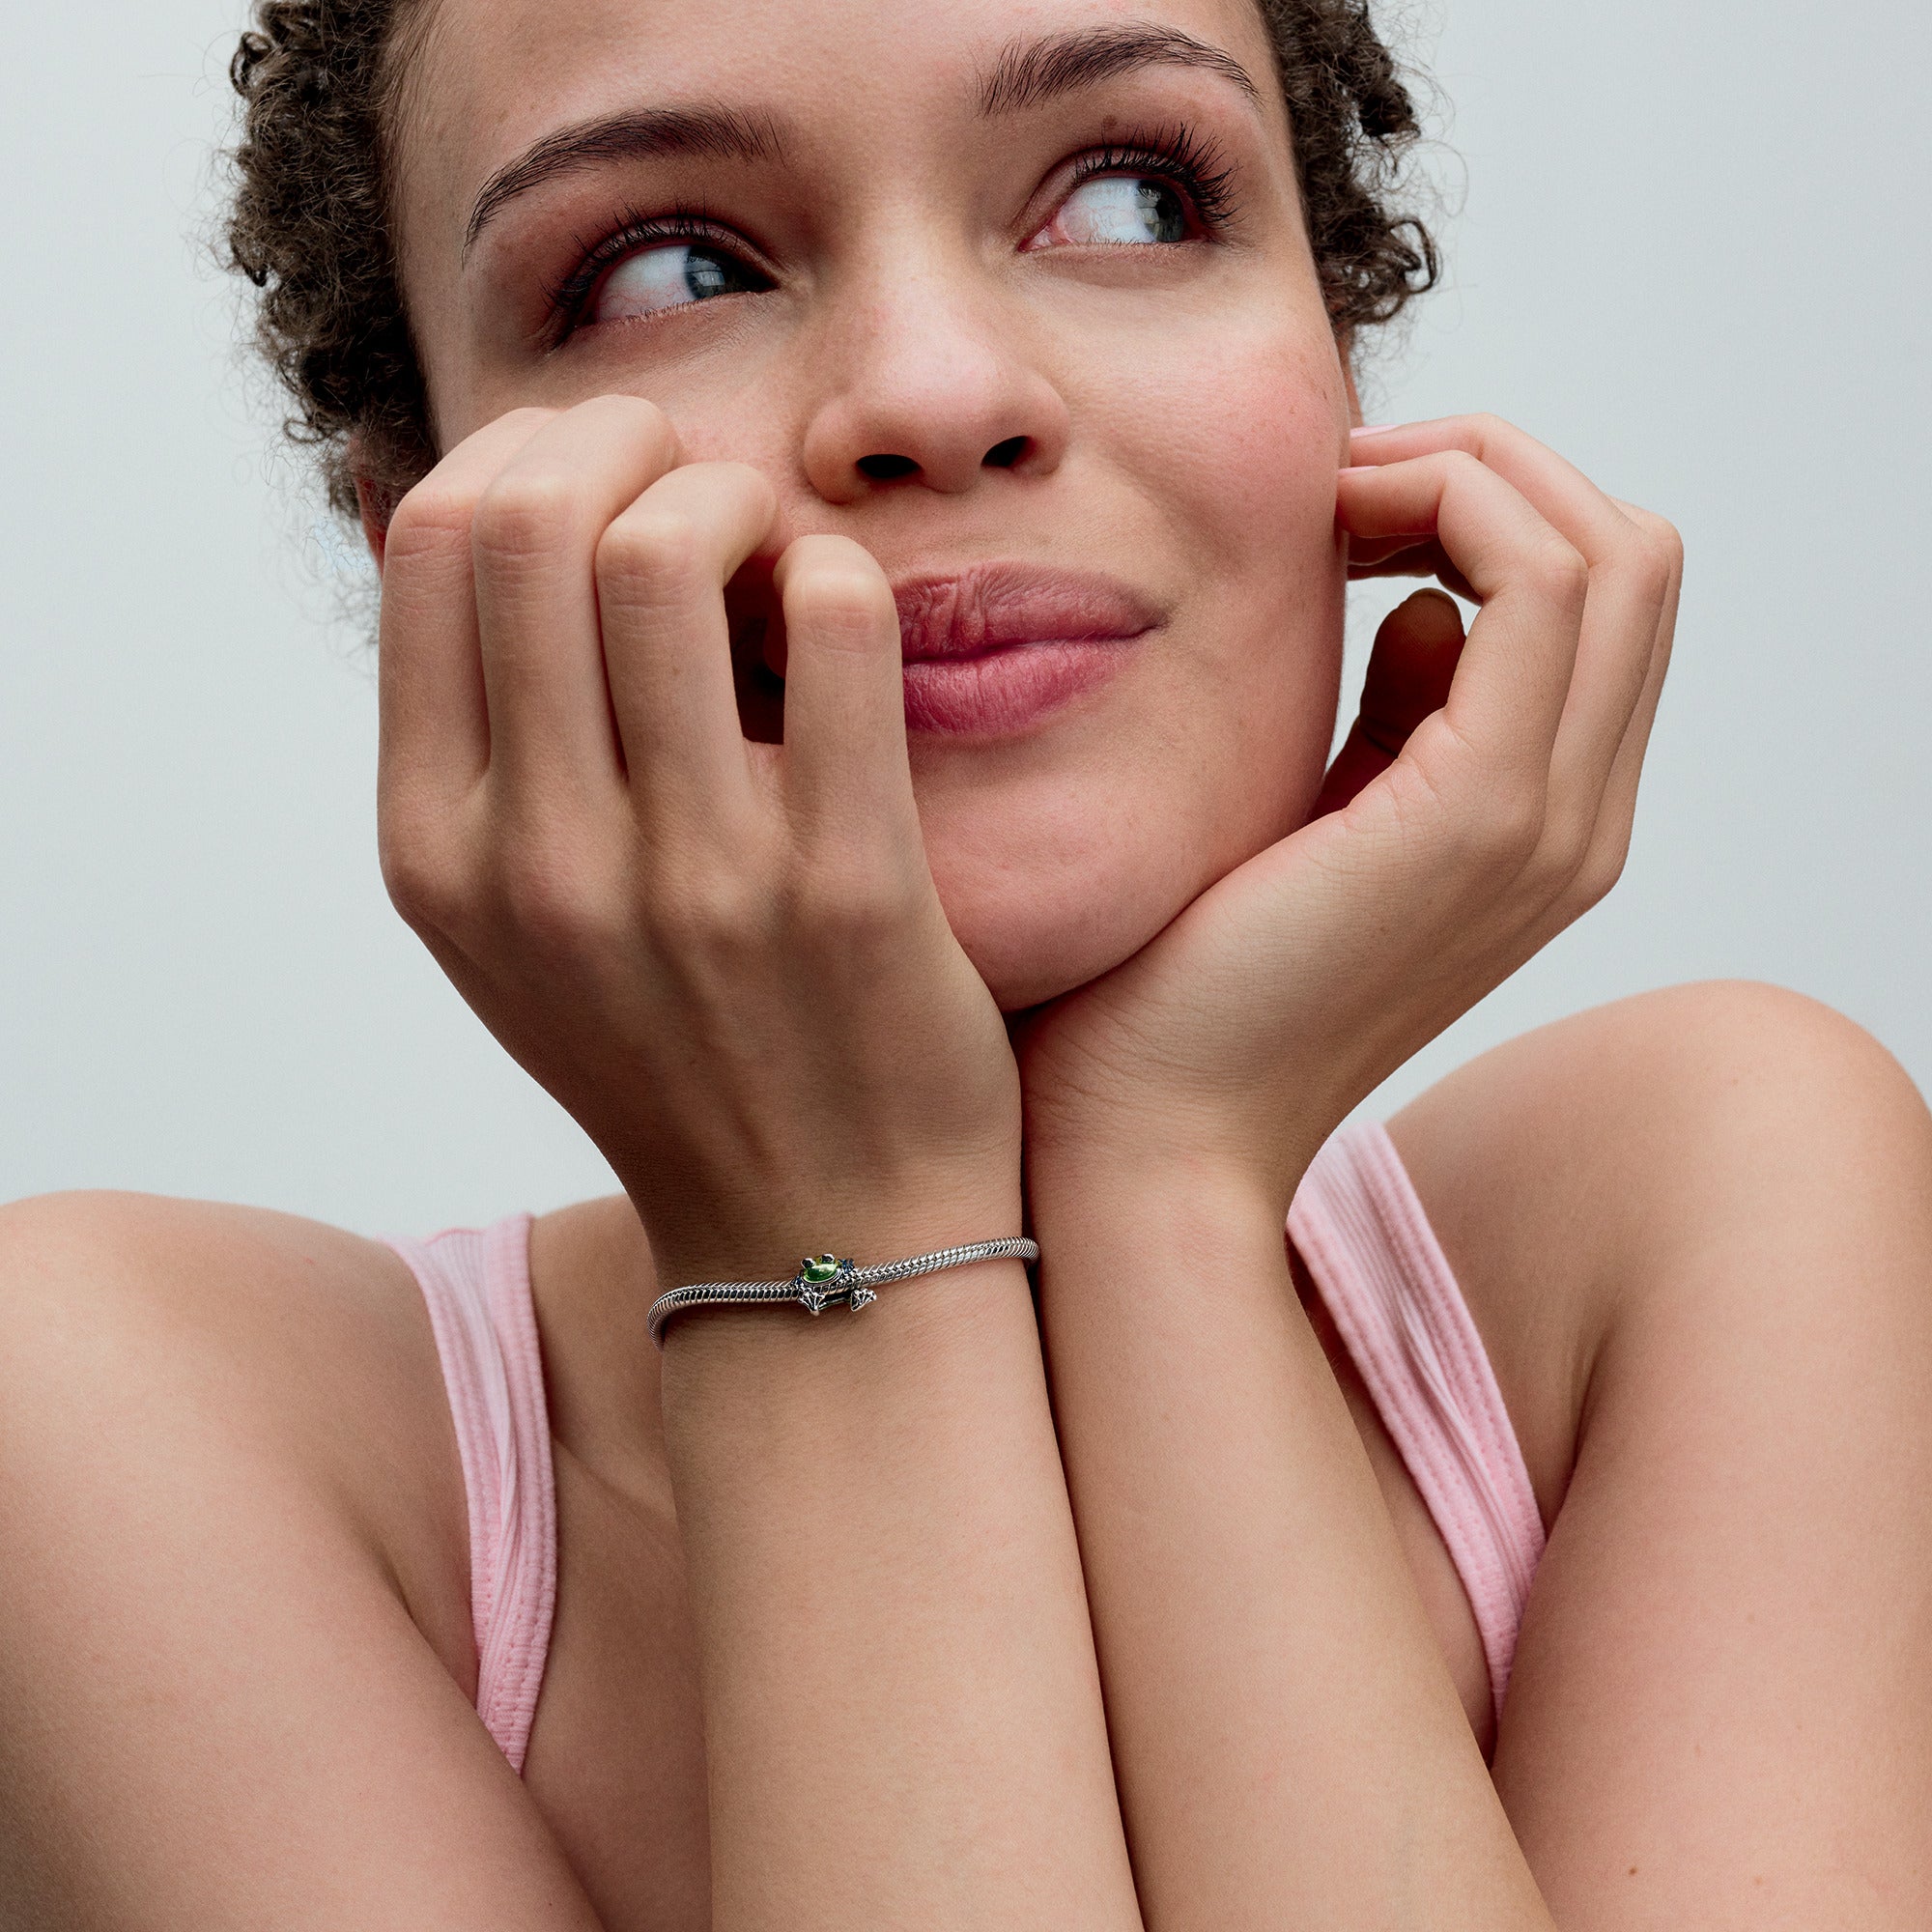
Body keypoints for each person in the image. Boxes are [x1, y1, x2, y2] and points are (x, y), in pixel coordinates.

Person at [1, 0, 1927, 1924]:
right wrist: (827, 1224)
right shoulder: (115, 1422)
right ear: (429, 539)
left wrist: (1157, 1186)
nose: (933, 391)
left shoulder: (1715, 1197)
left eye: (1128, 196)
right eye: (671, 265)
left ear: (1340, 372)